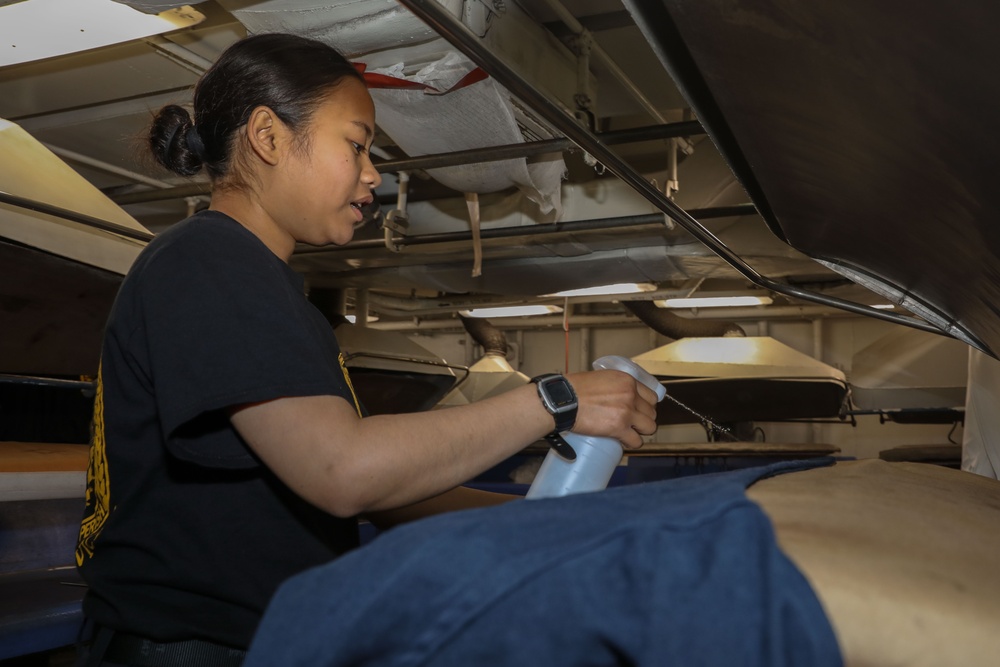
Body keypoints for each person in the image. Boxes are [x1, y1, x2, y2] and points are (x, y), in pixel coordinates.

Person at [73, 32, 658, 667]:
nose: (373, 176)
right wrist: (555, 400)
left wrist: (532, 523)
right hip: (188, 648)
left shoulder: (264, 289)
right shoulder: (207, 261)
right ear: (268, 137)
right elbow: (343, 472)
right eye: (356, 145)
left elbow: (382, 487)